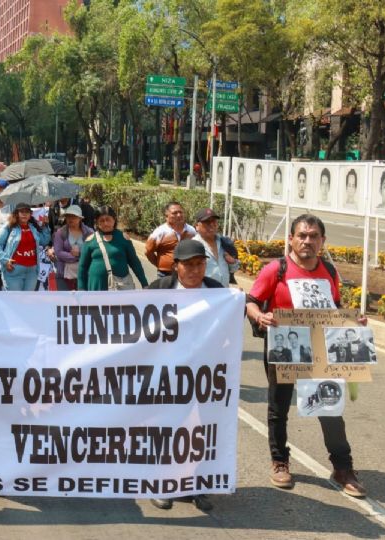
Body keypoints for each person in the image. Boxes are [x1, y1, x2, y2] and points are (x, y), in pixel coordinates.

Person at [246, 214, 367, 498]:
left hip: (320, 348)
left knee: (329, 407)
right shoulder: (276, 269)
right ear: (291, 239)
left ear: (322, 241)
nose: (307, 241)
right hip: (284, 346)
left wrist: (353, 323)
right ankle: (280, 461)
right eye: (302, 235)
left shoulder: (329, 270)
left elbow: (334, 308)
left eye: (313, 236)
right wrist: (259, 315)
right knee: (279, 408)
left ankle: (342, 468)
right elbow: (250, 301)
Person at [145, 239, 221, 512]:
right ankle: (162, 483)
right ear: (175, 266)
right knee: (167, 429)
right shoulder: (158, 290)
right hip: (168, 373)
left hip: (206, 374)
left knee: (203, 430)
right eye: (188, 265)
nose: (195, 270)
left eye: (200, 264)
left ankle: (198, 484)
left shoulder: (217, 292)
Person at [78, 206, 148, 291]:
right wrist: (81, 289)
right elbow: (82, 267)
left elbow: (135, 262)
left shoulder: (123, 238)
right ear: (96, 222)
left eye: (108, 219)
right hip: (97, 286)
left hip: (120, 287)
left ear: (114, 220)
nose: (105, 223)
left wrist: (144, 284)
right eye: (101, 220)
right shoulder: (90, 241)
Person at [0, 203, 52, 291]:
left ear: (30, 214)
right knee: (15, 301)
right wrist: (5, 260)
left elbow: (44, 241)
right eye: (21, 212)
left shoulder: (33, 227)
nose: (24, 214)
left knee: (27, 302)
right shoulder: (9, 227)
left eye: (27, 212)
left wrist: (45, 226)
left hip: (32, 271)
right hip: (13, 270)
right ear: (16, 213)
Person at [145, 201, 196, 278]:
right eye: (174, 213)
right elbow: (148, 252)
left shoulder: (191, 231)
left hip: (186, 274)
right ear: (166, 216)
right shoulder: (159, 232)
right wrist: (160, 265)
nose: (179, 215)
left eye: (181, 212)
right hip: (165, 275)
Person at [191, 208, 238, 285]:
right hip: (204, 293)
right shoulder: (193, 245)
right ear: (197, 226)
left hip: (223, 292)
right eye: (207, 221)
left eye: (214, 221)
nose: (212, 224)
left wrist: (232, 262)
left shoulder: (225, 243)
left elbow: (234, 269)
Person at [52, 205, 93, 291]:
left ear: (80, 218)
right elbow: (58, 253)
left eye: (74, 216)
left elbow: (93, 251)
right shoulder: (60, 232)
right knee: (66, 301)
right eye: (68, 216)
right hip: (64, 273)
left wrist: (80, 253)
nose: (70, 219)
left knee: (83, 300)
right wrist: (77, 257)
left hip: (85, 273)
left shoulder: (89, 232)